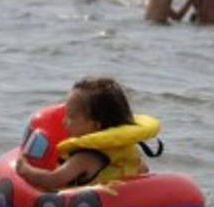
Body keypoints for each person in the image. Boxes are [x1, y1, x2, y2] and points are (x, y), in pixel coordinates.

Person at [13, 78, 151, 190]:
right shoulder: (128, 149)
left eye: (71, 117)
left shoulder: (84, 158)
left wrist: (26, 170)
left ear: (96, 125)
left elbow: (54, 180)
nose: (64, 122)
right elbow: (143, 170)